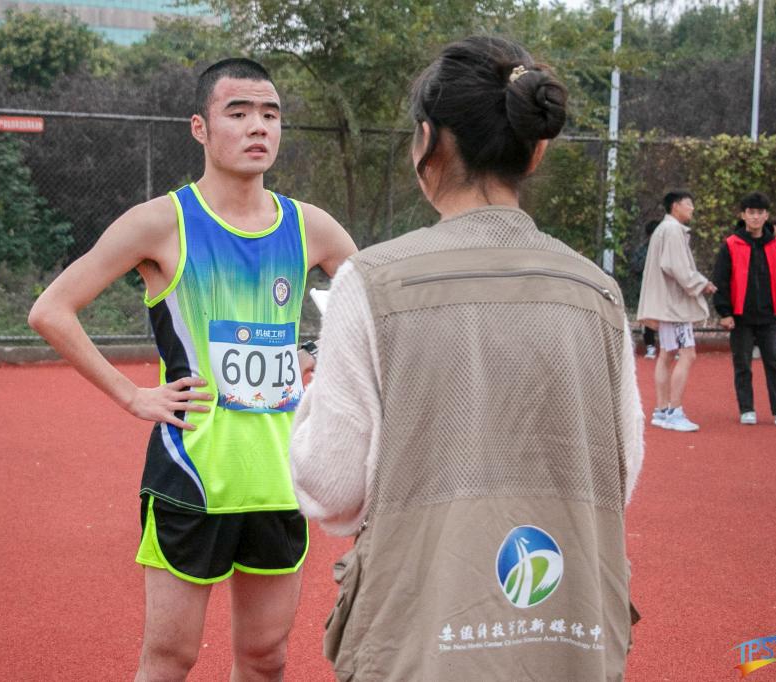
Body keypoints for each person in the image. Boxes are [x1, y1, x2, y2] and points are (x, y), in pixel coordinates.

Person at [290, 36, 644, 681]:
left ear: (427, 140)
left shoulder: (372, 282)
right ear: (535, 149)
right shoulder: (596, 291)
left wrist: (309, 400)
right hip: (567, 633)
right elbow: (621, 474)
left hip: (420, 635)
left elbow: (332, 489)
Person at [28, 57, 357, 681]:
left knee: (266, 658)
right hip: (192, 475)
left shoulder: (310, 227)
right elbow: (51, 310)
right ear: (200, 128)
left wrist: (314, 353)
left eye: (270, 114)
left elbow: (369, 310)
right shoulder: (161, 223)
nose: (258, 126)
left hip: (279, 478)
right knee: (170, 659)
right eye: (239, 112)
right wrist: (133, 396)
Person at [711, 192, 776, 427]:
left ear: (766, 216)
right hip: (740, 317)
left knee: (775, 363)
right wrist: (724, 312)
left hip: (769, 317)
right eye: (751, 212)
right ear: (743, 215)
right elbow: (721, 280)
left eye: (760, 213)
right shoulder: (730, 244)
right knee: (743, 365)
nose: (755, 217)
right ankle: (747, 409)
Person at [636, 190, 716, 432]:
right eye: (688, 204)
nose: (692, 208)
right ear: (675, 206)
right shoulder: (672, 230)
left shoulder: (664, 229)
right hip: (674, 306)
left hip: (667, 304)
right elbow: (675, 266)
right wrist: (701, 283)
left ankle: (662, 410)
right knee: (687, 354)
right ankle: (674, 411)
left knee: (667, 354)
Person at [630, 219, 661, 358]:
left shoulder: (667, 250)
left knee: (667, 319)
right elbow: (635, 267)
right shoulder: (642, 250)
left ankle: (670, 347)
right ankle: (650, 346)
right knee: (648, 318)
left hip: (664, 291)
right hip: (646, 290)